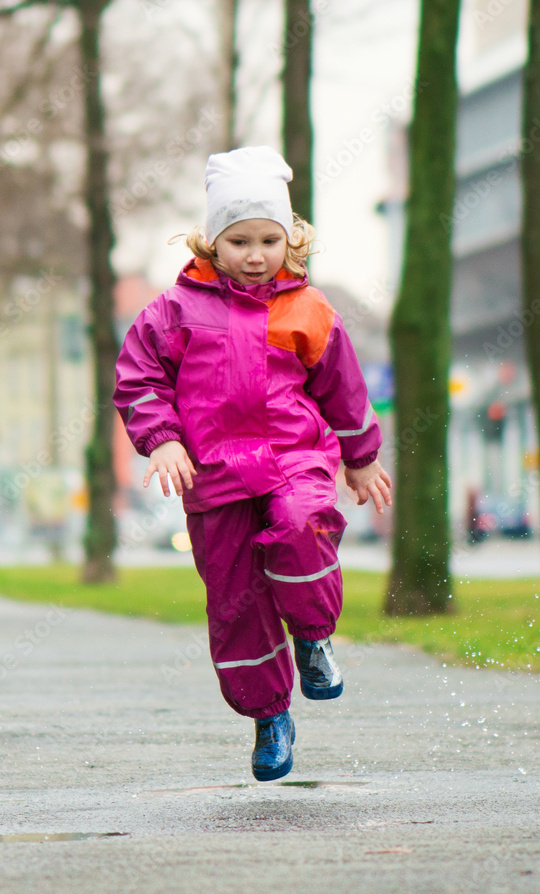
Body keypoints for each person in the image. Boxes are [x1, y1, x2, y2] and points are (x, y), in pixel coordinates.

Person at [114, 146, 391, 782]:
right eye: (240, 241)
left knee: (302, 524)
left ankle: (315, 636)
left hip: (295, 456)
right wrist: (163, 439)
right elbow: (139, 379)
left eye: (270, 239)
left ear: (290, 240)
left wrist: (360, 456)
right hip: (214, 474)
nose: (257, 254)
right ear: (212, 243)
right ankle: (270, 717)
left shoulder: (310, 310)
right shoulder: (175, 312)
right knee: (235, 600)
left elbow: (342, 387)